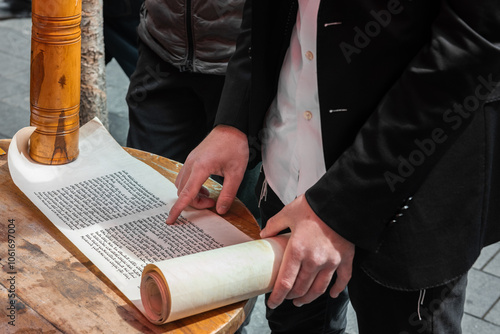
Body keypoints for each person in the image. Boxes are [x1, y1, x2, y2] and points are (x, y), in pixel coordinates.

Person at [166, 0, 500, 333]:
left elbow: (470, 47)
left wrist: (343, 204)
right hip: (289, 161)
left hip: (406, 187)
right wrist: (235, 118)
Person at [125, 0, 261, 221]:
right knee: (142, 196)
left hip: (244, 61)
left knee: (234, 214)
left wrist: (236, 121)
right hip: (162, 45)